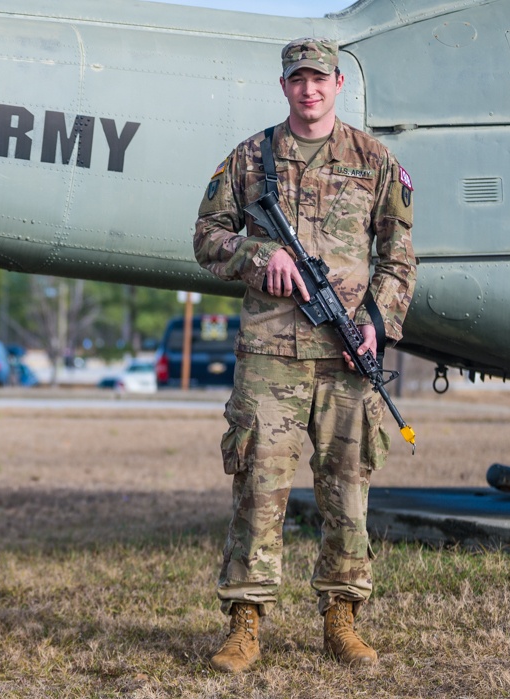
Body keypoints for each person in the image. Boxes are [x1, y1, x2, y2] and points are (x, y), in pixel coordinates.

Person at [193, 37, 417, 672]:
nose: (309, 89)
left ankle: (342, 619)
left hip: (348, 357)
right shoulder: (251, 158)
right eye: (298, 80)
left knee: (348, 489)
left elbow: (399, 257)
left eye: (319, 79)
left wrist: (376, 323)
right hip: (270, 354)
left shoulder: (374, 161)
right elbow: (206, 238)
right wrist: (264, 257)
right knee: (259, 486)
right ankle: (245, 622)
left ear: (339, 84)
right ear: (284, 85)